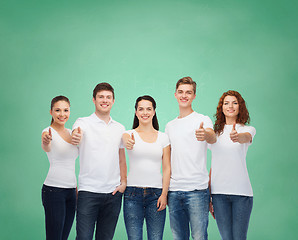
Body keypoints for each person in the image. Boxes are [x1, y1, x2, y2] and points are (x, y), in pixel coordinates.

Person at [71, 82, 127, 240]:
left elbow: (121, 158)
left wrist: (123, 183)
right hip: (88, 192)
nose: (105, 100)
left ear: (113, 101)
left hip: (113, 193)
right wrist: (75, 136)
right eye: (101, 97)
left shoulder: (119, 128)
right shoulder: (83, 122)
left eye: (108, 97)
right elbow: (76, 134)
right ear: (94, 100)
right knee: (83, 237)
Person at [165, 76, 216, 240]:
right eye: (180, 92)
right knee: (178, 237)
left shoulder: (203, 120)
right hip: (173, 191)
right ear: (175, 94)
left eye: (188, 92)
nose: (184, 95)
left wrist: (206, 134)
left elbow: (212, 138)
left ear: (194, 96)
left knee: (199, 237)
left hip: (197, 191)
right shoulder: (169, 126)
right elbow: (167, 159)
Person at [209, 90, 256, 240]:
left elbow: (246, 138)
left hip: (241, 194)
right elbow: (214, 164)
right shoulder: (215, 134)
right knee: (226, 238)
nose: (230, 106)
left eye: (234, 103)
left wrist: (237, 137)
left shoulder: (247, 129)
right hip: (218, 195)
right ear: (221, 107)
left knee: (239, 237)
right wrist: (208, 194)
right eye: (226, 103)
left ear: (240, 107)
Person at [122, 95, 171, 240]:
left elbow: (167, 167)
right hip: (132, 194)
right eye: (141, 109)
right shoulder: (128, 134)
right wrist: (126, 140)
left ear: (154, 111)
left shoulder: (163, 137)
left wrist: (164, 194)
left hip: (156, 195)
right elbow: (124, 138)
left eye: (149, 109)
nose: (145, 112)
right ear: (136, 112)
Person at [41, 95, 78, 240]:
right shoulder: (47, 132)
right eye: (57, 110)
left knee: (64, 236)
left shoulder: (71, 132)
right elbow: (46, 145)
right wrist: (46, 141)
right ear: (51, 112)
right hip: (53, 191)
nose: (62, 114)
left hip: (72, 191)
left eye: (65, 110)